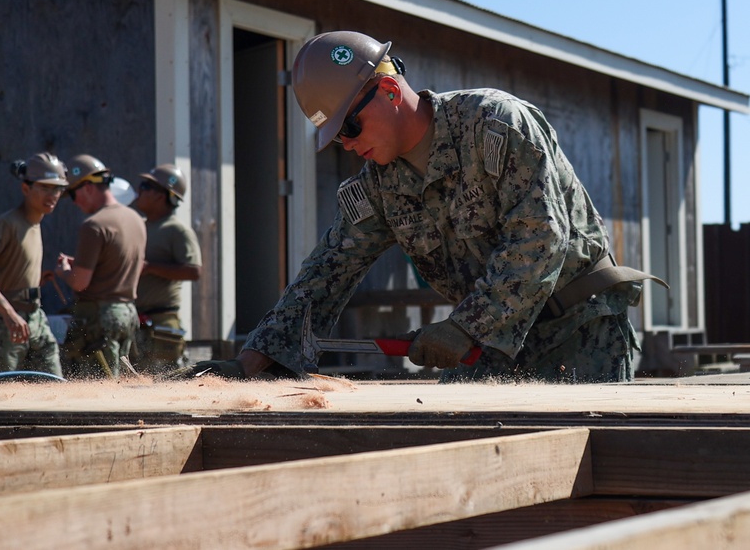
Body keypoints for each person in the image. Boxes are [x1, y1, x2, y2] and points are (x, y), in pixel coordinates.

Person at [186, 30, 662, 383]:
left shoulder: (495, 125)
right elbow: (328, 270)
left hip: (580, 332)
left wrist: (464, 326)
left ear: (389, 92)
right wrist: (253, 361)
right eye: (336, 138)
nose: (347, 146)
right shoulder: (378, 186)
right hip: (488, 345)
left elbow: (540, 240)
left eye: (349, 129)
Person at [0, 153, 67, 378]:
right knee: (0, 396)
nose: (53, 195)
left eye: (58, 189)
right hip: (4, 323)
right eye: (45, 188)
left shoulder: (35, 223)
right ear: (26, 188)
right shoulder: (7, 224)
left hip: (34, 317)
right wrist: (9, 314)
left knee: (55, 388)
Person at [55, 154, 146, 378]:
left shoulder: (94, 226)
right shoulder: (135, 219)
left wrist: (64, 272)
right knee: (121, 386)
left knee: (94, 390)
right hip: (127, 314)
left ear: (87, 187)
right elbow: (118, 263)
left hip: (99, 319)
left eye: (73, 194)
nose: (74, 202)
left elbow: (80, 283)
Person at [130, 164, 202, 373]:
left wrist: (150, 268)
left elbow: (194, 270)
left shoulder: (177, 231)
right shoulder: (140, 226)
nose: (139, 190)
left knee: (163, 381)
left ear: (162, 195)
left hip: (161, 323)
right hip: (136, 320)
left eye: (145, 186)